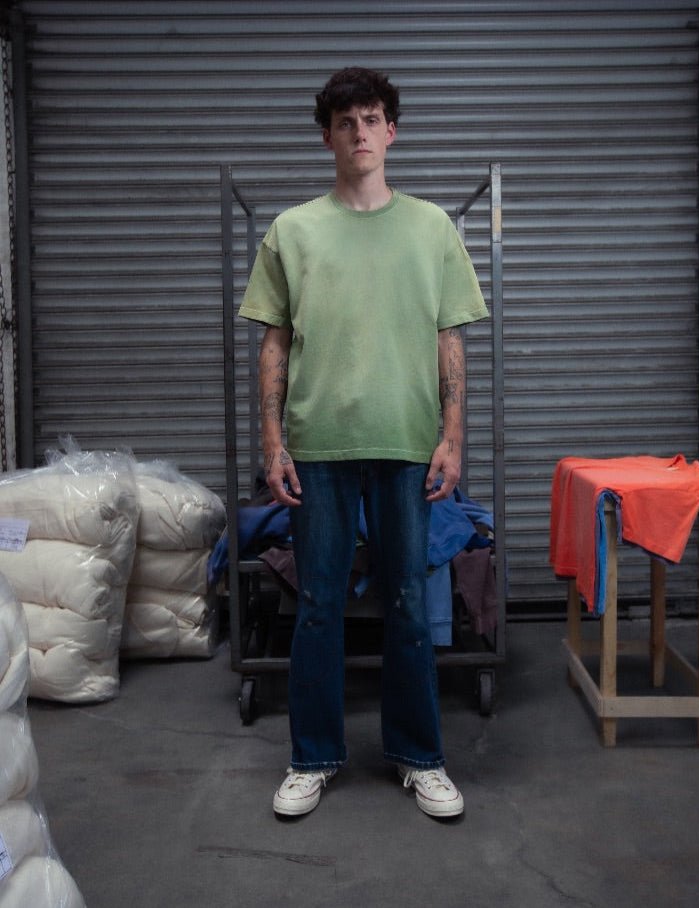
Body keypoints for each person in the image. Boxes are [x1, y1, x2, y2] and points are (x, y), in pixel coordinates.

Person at [238, 66, 488, 819]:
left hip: (407, 444)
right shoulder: (292, 231)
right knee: (318, 604)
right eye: (345, 122)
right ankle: (312, 758)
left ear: (392, 131)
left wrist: (452, 438)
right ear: (327, 137)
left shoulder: (432, 228)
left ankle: (420, 756)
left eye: (372, 119)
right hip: (319, 447)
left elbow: (450, 339)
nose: (360, 133)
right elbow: (273, 345)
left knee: (408, 600)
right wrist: (273, 443)